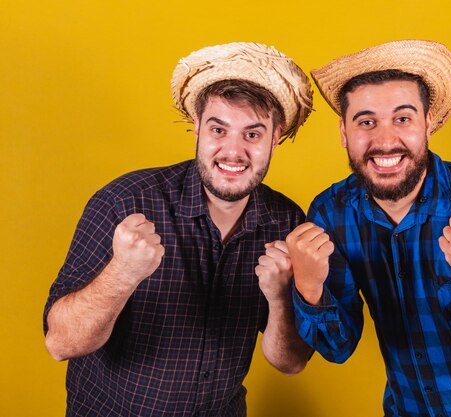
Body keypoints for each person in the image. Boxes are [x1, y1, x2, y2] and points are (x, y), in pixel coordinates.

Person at [286, 40, 451, 417]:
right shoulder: (330, 213)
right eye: (366, 122)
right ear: (344, 132)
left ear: (428, 122)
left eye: (403, 119)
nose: (384, 141)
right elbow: (337, 348)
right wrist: (310, 289)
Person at [43, 42, 313, 417]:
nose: (233, 152)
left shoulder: (287, 222)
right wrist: (123, 272)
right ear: (197, 127)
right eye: (219, 129)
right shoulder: (124, 201)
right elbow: (61, 343)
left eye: (252, 134)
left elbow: (291, 362)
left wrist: (279, 298)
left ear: (276, 135)